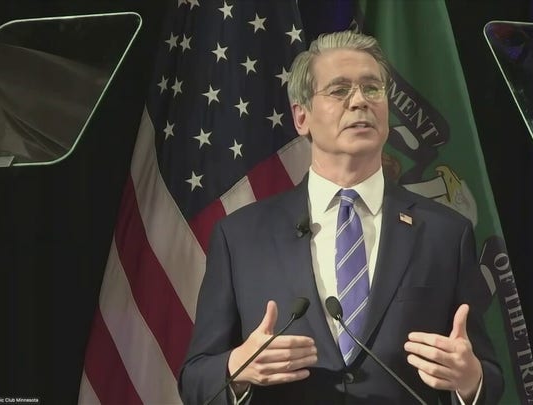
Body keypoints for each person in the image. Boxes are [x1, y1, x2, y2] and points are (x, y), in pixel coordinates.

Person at [178, 30, 503, 405]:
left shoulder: (445, 233)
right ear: (302, 117)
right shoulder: (240, 237)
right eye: (339, 90)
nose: (360, 101)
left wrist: (469, 379)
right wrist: (237, 368)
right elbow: (195, 380)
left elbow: (487, 376)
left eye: (372, 88)